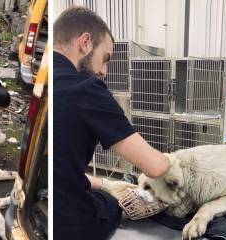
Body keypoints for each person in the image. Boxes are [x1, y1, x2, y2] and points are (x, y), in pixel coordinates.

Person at [53, 7, 170, 240]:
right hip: (70, 225)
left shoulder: (46, 78)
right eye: (105, 59)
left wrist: (105, 183)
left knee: (103, 192)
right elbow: (156, 167)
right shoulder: (85, 88)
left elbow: (62, 171)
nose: (104, 71)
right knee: (110, 204)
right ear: (85, 42)